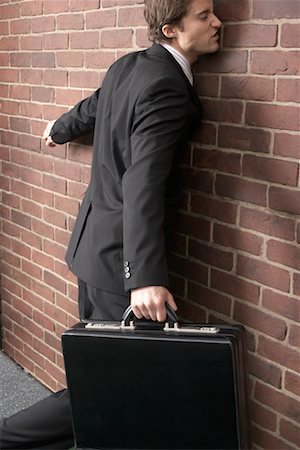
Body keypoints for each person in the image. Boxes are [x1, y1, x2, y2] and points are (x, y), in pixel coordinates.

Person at [0, 0, 222, 448]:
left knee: (105, 378)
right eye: (204, 15)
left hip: (93, 248)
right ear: (171, 28)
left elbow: (97, 105)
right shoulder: (166, 85)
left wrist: (60, 127)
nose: (218, 22)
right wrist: (144, 277)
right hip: (122, 262)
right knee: (108, 383)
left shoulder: (129, 66)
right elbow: (142, 181)